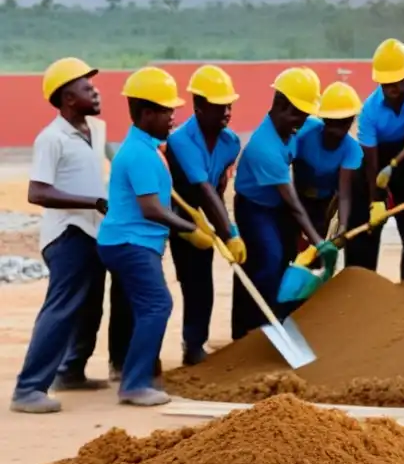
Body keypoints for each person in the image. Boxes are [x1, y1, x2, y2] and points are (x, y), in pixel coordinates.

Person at [10, 59, 131, 414]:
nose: (95, 92)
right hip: (66, 235)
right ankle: (28, 388)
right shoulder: (51, 138)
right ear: (67, 97)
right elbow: (38, 192)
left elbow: (114, 162)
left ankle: (71, 371)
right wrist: (92, 201)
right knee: (62, 308)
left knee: (90, 305)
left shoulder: (97, 128)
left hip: (93, 232)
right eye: (86, 88)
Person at [96, 67, 215, 407]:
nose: (172, 117)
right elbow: (151, 208)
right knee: (157, 305)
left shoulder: (147, 148)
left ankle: (141, 373)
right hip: (131, 243)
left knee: (144, 306)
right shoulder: (139, 154)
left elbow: (163, 201)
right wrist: (191, 231)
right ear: (147, 113)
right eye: (166, 111)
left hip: (133, 242)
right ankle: (134, 383)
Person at [231, 68, 338, 339]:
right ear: (279, 105)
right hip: (255, 207)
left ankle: (277, 317)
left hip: (277, 206)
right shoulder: (263, 147)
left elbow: (330, 130)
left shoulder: (300, 126)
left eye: (305, 114)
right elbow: (292, 204)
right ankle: (260, 327)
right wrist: (318, 240)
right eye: (297, 113)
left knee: (286, 260)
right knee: (269, 259)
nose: (302, 121)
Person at [163, 65, 243, 366]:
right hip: (176, 216)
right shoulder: (181, 140)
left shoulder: (231, 142)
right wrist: (229, 233)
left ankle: (196, 343)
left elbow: (218, 188)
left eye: (229, 104)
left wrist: (224, 228)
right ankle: (192, 346)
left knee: (204, 279)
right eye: (219, 105)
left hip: (205, 212)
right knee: (194, 280)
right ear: (198, 107)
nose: (227, 111)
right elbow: (202, 188)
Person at [351, 39, 404, 280]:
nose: (393, 89)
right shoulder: (370, 111)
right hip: (376, 160)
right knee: (369, 229)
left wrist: (394, 165)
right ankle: (364, 283)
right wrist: (377, 198)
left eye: (398, 82)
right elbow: (370, 158)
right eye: (387, 84)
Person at [293, 82, 364, 254]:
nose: (338, 130)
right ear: (324, 119)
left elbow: (345, 193)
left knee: (316, 250)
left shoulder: (352, 150)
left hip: (324, 205)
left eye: (344, 122)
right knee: (290, 245)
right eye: (333, 122)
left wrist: (343, 225)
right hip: (295, 198)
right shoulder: (304, 133)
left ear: (352, 120)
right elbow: (283, 165)